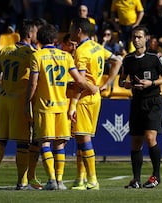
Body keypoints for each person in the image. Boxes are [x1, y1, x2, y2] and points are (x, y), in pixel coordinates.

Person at [26, 23, 99, 190]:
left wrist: (27, 102)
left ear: (39, 38)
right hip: (62, 106)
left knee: (44, 143)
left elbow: (33, 84)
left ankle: (51, 179)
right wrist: (93, 88)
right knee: (59, 144)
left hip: (45, 106)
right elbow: (79, 81)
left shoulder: (37, 56)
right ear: (55, 39)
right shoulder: (65, 56)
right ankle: (59, 180)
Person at [0, 20, 42, 190]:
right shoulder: (32, 53)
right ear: (30, 34)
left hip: (3, 99)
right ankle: (21, 181)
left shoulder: (4, 51)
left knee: (1, 139)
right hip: (19, 101)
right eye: (35, 33)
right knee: (23, 143)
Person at [68, 17, 122, 190]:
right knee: (80, 139)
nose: (69, 32)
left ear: (78, 31)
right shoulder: (98, 47)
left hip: (84, 98)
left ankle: (92, 179)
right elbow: (118, 60)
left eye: (71, 28)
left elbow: (80, 81)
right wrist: (108, 83)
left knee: (83, 139)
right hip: (96, 97)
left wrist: (73, 104)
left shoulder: (82, 51)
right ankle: (80, 178)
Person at [119, 25, 162, 189]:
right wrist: (129, 84)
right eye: (134, 37)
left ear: (146, 38)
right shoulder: (127, 59)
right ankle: (136, 179)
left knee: (150, 138)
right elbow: (121, 81)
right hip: (137, 101)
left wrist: (152, 83)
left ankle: (156, 175)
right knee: (135, 142)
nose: (136, 40)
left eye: (139, 37)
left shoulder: (155, 56)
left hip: (153, 100)